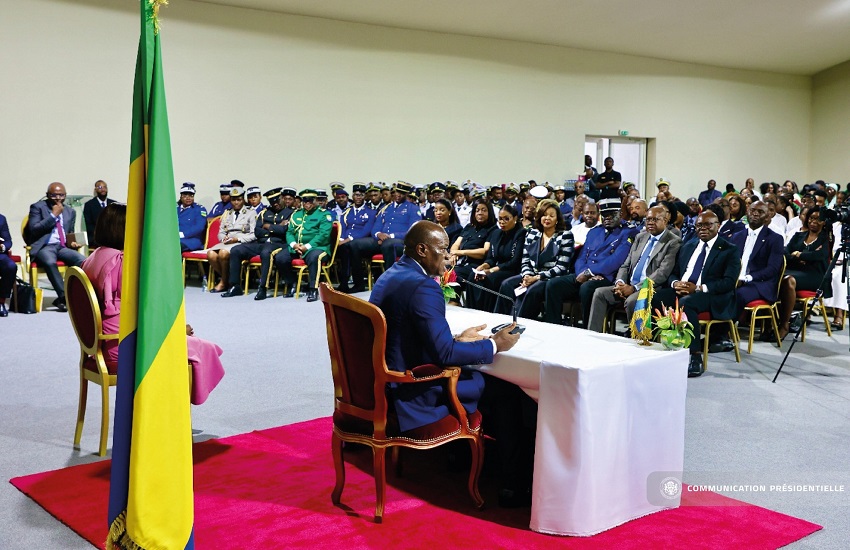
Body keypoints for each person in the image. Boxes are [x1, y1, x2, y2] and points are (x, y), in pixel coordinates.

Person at [368, 220, 527, 505]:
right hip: (415, 390)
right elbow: (445, 356)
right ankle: (513, 483)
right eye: (442, 249)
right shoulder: (423, 286)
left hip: (387, 379)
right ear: (422, 250)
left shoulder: (391, 274)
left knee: (486, 380)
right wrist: (495, 344)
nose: (448, 256)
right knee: (509, 391)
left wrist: (456, 338)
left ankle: (459, 455)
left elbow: (406, 332)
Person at [81, 204, 224, 404]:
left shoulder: (94, 257)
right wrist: (175, 331)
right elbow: (144, 311)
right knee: (202, 349)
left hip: (103, 342)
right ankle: (170, 416)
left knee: (198, 346)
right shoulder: (121, 262)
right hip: (124, 346)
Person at [651, 211, 741, 377]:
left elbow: (728, 282)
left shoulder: (729, 249)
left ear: (718, 226)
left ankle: (695, 356)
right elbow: (674, 273)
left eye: (708, 225)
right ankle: (662, 344)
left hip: (711, 294)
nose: (703, 228)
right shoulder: (689, 246)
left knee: (687, 303)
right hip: (683, 289)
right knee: (656, 297)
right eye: (699, 225)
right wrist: (675, 283)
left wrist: (698, 288)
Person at [587, 206, 682, 333]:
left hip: (651, 288)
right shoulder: (640, 237)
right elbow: (626, 264)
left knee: (633, 300)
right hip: (628, 285)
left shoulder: (673, 241)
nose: (650, 223)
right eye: (648, 219)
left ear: (665, 220)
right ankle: (593, 335)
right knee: (600, 293)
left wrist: (634, 288)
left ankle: (636, 338)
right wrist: (620, 282)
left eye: (655, 219)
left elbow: (662, 273)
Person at [543, 198, 636, 326]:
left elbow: (616, 260)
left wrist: (589, 273)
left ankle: (588, 328)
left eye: (611, 215)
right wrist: (583, 272)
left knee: (586, 288)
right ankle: (553, 325)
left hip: (607, 276)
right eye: (604, 215)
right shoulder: (594, 231)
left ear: (620, 214)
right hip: (585, 273)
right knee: (553, 285)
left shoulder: (628, 232)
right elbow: (581, 257)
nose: (607, 218)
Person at [720, 201, 784, 351]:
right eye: (752, 210)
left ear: (767, 217)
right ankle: (715, 328)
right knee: (716, 289)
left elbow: (773, 269)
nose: (755, 213)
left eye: (760, 212)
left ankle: (721, 334)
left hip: (760, 284)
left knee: (737, 294)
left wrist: (747, 278)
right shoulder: (736, 236)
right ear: (747, 213)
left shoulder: (775, 238)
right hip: (736, 280)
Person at [495, 199, 574, 320]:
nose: (547, 218)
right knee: (507, 284)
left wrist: (536, 277)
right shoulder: (532, 233)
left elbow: (561, 267)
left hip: (549, 278)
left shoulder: (565, 235)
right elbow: (525, 260)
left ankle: (519, 323)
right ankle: (499, 320)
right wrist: (527, 276)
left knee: (532, 290)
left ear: (557, 219)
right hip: (530, 275)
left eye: (551, 216)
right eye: (544, 215)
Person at [347, 181, 421, 292]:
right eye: (397, 192)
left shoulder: (413, 209)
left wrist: (390, 236)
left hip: (401, 242)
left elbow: (413, 231)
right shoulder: (386, 208)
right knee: (354, 245)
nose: (398, 195)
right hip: (381, 240)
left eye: (402, 193)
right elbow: (375, 227)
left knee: (389, 244)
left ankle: (390, 285)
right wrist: (378, 234)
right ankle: (359, 284)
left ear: (406, 194)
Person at [222, 187, 294, 300]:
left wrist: (268, 226)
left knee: (266, 253)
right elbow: (257, 231)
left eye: (277, 200)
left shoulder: (291, 213)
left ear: (282, 198)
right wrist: (276, 228)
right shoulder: (264, 213)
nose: (275, 203)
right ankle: (235, 286)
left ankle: (263, 288)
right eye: (272, 201)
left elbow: (284, 231)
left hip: (279, 244)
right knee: (236, 250)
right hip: (261, 242)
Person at [25, 182, 86, 311]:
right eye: (54, 195)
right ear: (47, 195)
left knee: (83, 261)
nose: (58, 198)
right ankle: (64, 297)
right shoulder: (37, 207)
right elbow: (34, 229)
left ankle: (76, 294)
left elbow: (69, 233)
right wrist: (53, 215)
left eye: (61, 195)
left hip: (62, 247)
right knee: (49, 261)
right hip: (45, 246)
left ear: (65, 195)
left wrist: (72, 243)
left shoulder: (70, 211)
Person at [775, 206, 832, 340]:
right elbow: (785, 252)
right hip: (796, 271)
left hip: (816, 276)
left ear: (824, 222)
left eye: (818, 219)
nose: (813, 221)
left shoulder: (826, 238)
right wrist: (799, 257)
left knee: (789, 280)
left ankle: (784, 324)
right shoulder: (798, 236)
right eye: (811, 218)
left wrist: (799, 254)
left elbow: (820, 255)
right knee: (777, 276)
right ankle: (771, 321)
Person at [273, 189, 333, 302]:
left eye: (310, 201)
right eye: (305, 201)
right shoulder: (296, 214)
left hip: (318, 247)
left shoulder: (324, 214)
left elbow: (323, 235)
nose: (307, 203)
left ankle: (313, 289)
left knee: (314, 257)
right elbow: (289, 232)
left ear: (315, 201)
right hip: (297, 247)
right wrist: (294, 245)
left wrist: (307, 247)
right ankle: (292, 283)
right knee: (280, 258)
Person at [466, 204, 525, 313]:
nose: (502, 222)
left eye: (506, 219)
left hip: (511, 270)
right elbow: (491, 258)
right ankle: (472, 311)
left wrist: (491, 270)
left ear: (515, 218)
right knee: (472, 276)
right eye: (500, 219)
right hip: (496, 268)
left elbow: (515, 261)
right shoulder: (496, 233)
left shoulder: (521, 233)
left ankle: (488, 313)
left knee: (490, 278)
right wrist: (483, 266)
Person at [209, 188, 257, 293]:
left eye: (239, 200)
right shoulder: (227, 213)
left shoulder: (250, 213)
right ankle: (227, 280)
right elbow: (221, 232)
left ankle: (223, 283)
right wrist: (223, 238)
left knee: (223, 253)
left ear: (243, 200)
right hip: (227, 242)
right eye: (233, 200)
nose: (236, 202)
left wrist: (237, 239)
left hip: (241, 242)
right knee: (211, 254)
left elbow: (254, 234)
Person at [335, 184, 376, 293]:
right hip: (345, 242)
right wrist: (341, 240)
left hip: (361, 242)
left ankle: (358, 283)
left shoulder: (371, 212)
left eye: (361, 195)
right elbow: (342, 227)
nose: (358, 197)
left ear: (365, 197)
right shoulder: (346, 212)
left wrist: (348, 239)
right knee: (343, 248)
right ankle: (344, 282)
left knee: (351, 247)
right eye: (356, 195)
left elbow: (366, 231)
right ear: (352, 196)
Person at [449, 199, 496, 286]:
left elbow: (485, 251)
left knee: (452, 275)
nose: (480, 213)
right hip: (460, 261)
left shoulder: (492, 229)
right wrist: (454, 255)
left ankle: (452, 296)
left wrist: (461, 252)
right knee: (439, 270)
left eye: (484, 210)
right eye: (477, 210)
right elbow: (456, 244)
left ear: (490, 212)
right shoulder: (469, 227)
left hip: (476, 265)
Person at [82, 180, 116, 247]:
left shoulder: (113, 204)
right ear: (95, 190)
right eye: (100, 187)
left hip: (112, 237)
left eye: (105, 187)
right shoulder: (89, 205)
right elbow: (87, 224)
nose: (103, 189)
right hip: (95, 237)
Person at [176, 182, 208, 252]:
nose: (188, 198)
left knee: (174, 246)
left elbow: (199, 227)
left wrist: (183, 234)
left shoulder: (199, 209)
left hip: (191, 240)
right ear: (181, 196)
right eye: (185, 195)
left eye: (191, 195)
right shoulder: (175, 208)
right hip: (175, 237)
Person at [0, 212, 14, 317]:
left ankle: (1, 301)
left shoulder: (1, 219)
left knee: (10, 266)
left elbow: (8, 241)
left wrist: (3, 246)